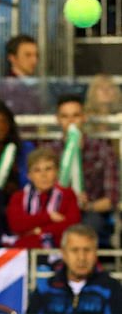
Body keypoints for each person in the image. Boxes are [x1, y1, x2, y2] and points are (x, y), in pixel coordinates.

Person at [49, 95, 120, 242]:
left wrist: (89, 205)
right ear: (57, 119)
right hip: (57, 210)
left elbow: (112, 198)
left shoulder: (103, 150)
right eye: (65, 116)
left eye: (76, 115)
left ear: (84, 117)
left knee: (90, 227)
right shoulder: (50, 152)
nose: (71, 121)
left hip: (90, 213)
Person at [27, 224, 122, 314]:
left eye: (87, 250)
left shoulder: (112, 289)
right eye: (75, 250)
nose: (81, 258)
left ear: (95, 253)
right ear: (64, 253)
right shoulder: (45, 288)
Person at [6, 146, 81, 249]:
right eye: (37, 170)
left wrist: (39, 231)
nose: (43, 175)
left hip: (59, 250)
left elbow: (70, 226)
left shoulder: (68, 195)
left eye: (48, 169)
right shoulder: (18, 197)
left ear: (57, 172)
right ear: (29, 175)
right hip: (24, 251)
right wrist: (49, 217)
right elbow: (16, 224)